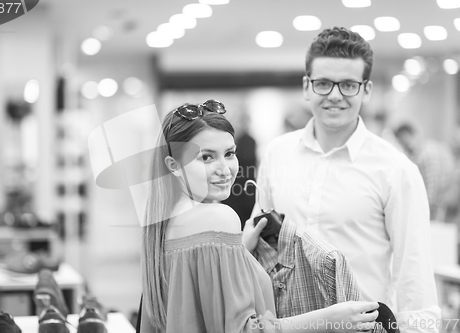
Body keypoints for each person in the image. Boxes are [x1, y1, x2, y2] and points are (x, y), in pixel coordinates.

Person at [243, 27, 440, 333]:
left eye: (348, 84)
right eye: (323, 83)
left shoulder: (395, 169)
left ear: (367, 90)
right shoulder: (277, 154)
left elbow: (413, 277)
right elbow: (261, 248)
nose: (335, 95)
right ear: (307, 87)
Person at [139, 100, 379, 332]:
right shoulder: (218, 217)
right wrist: (332, 318)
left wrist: (238, 249)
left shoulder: (162, 222)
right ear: (173, 165)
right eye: (207, 157)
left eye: (229, 153)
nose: (225, 169)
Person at [394, 122, 455, 221]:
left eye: (402, 141)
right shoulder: (419, 153)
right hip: (435, 207)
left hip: (437, 209)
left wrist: (425, 213)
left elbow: (432, 186)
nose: (402, 145)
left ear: (407, 135)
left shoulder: (427, 154)